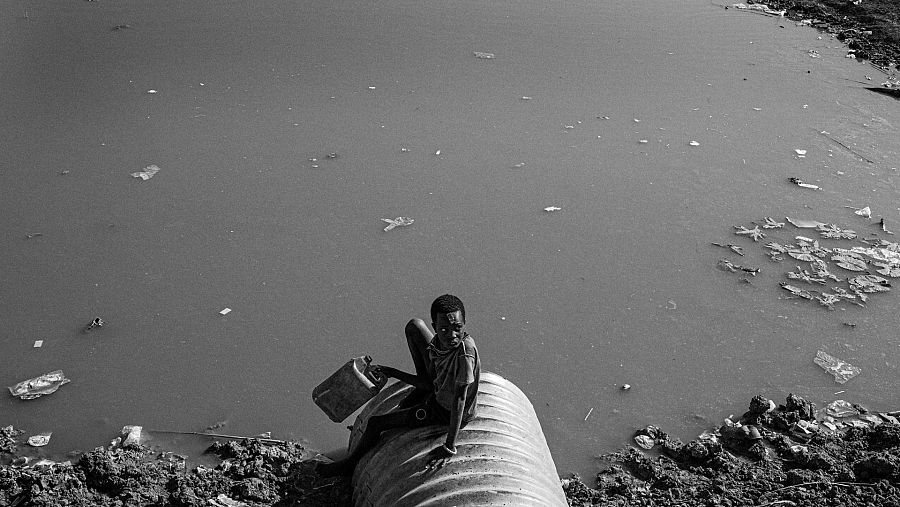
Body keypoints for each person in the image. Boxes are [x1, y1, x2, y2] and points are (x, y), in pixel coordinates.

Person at [318, 294, 481, 476]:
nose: (452, 335)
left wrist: (450, 446)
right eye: (443, 329)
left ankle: (349, 465)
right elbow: (431, 382)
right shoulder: (439, 343)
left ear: (465, 323)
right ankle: (421, 392)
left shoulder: (464, 355)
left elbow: (459, 399)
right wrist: (391, 372)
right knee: (415, 326)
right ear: (434, 327)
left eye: (457, 327)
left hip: (444, 411)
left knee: (375, 423)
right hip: (438, 389)